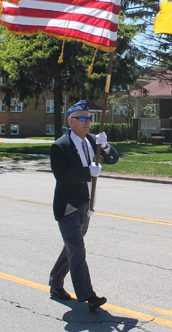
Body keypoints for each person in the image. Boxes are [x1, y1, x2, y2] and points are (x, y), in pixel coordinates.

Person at [49, 100, 119, 311]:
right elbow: (61, 175)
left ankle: (55, 282)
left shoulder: (91, 140)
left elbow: (114, 159)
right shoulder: (60, 145)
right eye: (83, 118)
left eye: (90, 118)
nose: (88, 122)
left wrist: (105, 146)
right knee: (77, 250)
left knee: (73, 249)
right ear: (70, 121)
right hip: (68, 206)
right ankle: (89, 296)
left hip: (86, 205)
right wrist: (88, 171)